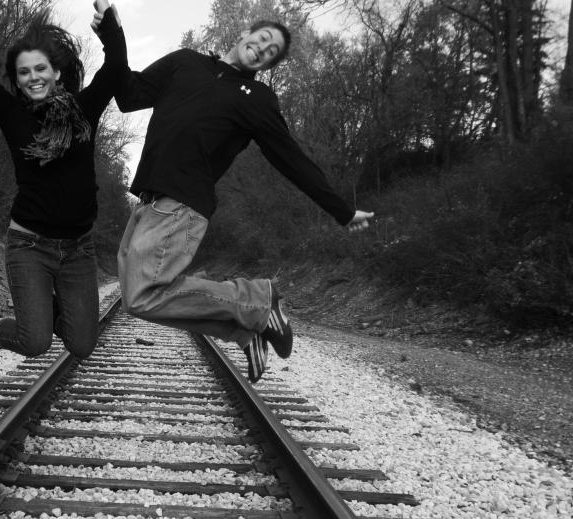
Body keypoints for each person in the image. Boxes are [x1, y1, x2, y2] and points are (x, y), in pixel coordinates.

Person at [106, 15, 374, 382]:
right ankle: (245, 331)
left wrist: (341, 210)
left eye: (272, 51)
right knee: (136, 300)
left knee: (141, 296)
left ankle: (258, 300)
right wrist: (112, 35)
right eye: (263, 39)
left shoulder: (257, 99)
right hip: (148, 198)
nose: (263, 49)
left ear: (268, 64)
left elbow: (290, 158)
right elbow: (128, 96)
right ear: (245, 33)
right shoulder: (185, 61)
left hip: (182, 203)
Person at [0, 0, 126, 364]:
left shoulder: (85, 109)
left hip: (78, 248)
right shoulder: (11, 113)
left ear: (56, 72)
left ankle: (50, 308)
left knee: (82, 345)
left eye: (40, 68)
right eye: (23, 72)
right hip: (29, 244)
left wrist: (108, 19)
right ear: (17, 79)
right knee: (34, 341)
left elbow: (116, 66)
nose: (33, 77)